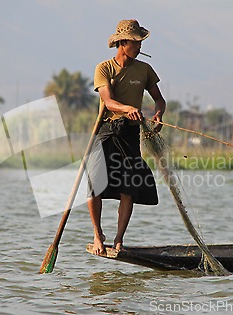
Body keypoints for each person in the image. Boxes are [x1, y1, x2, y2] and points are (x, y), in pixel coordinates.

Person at [88, 19, 166, 255]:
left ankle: (119, 239)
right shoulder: (104, 69)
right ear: (122, 43)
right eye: (135, 42)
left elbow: (159, 99)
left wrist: (158, 114)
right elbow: (108, 101)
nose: (139, 46)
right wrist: (125, 108)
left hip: (131, 133)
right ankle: (98, 235)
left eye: (140, 42)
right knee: (94, 185)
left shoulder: (145, 70)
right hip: (107, 129)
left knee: (128, 188)